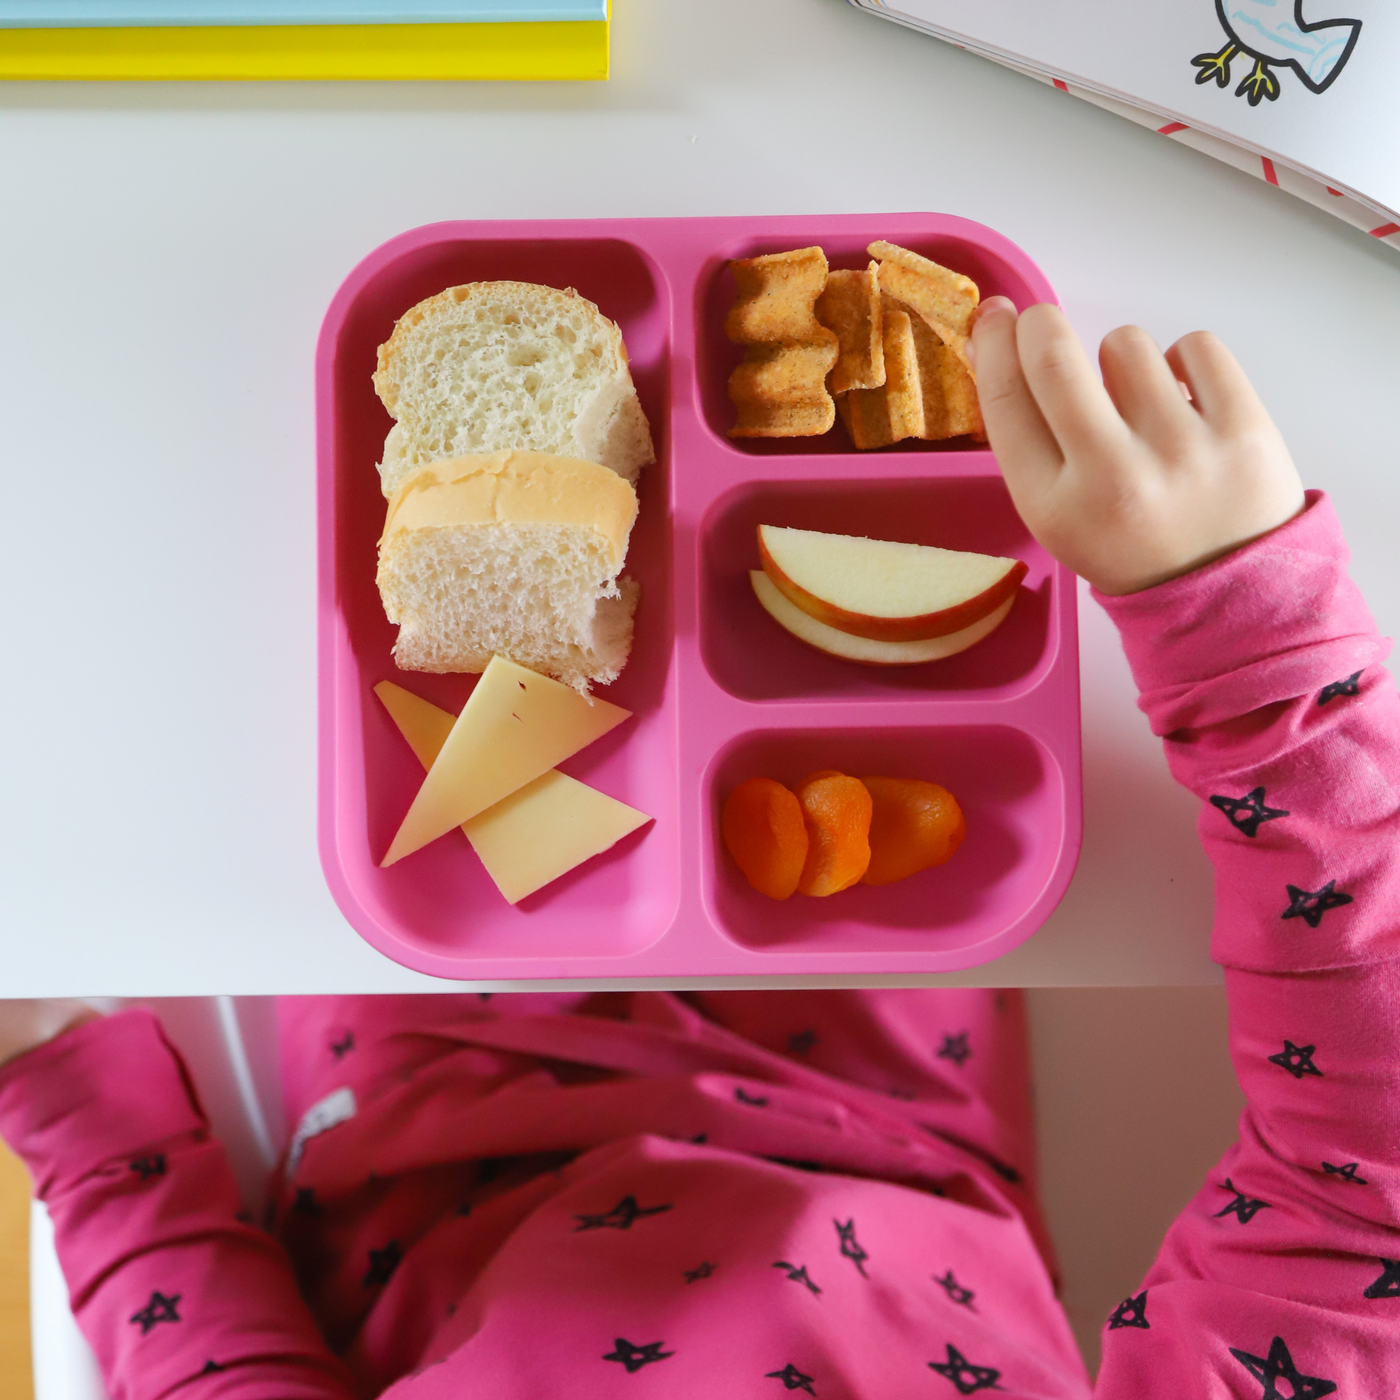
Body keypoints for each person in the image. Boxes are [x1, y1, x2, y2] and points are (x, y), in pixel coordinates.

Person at [4, 296, 1397, 1398]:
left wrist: (70, 1102)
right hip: (882, 1102)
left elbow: (212, 1365)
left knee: (250, 540)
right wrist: (1242, 630)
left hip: (430, 1116)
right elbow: (1363, 1206)